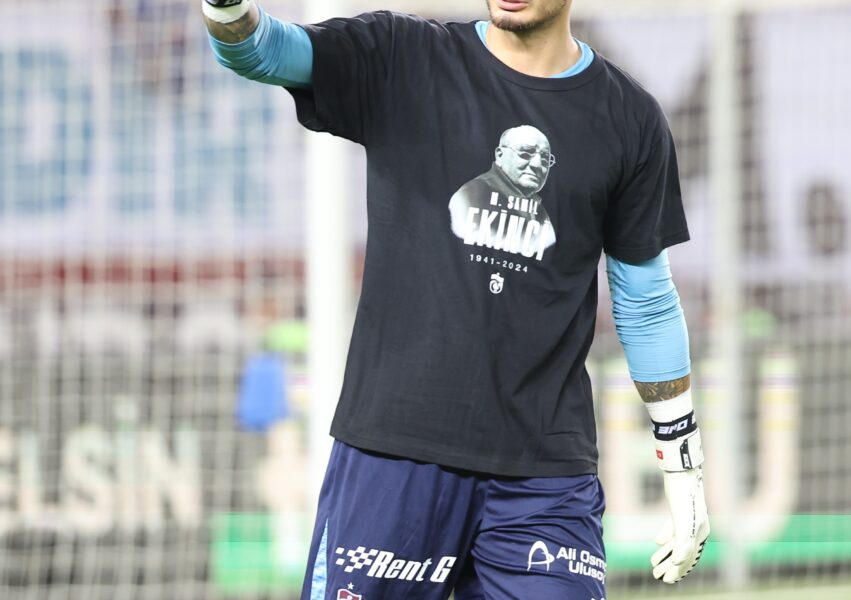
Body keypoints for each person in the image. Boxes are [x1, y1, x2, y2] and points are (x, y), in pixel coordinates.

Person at [202, 1, 710, 598]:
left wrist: (684, 466)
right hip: (393, 460)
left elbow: (646, 302)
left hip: (545, 480)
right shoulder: (403, 57)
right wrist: (225, 6)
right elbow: (260, 50)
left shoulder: (629, 118)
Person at [449, 125, 557, 257]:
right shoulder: (472, 196)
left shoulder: (539, 210)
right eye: (526, 153)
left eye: (545, 158)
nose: (537, 164)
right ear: (500, 155)